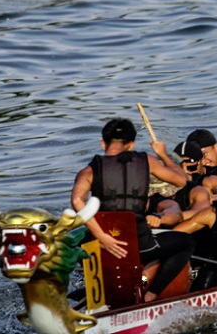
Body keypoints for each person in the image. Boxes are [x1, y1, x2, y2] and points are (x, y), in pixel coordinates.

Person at [71, 118, 195, 302]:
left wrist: (102, 237)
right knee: (186, 242)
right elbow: (181, 180)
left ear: (103, 143)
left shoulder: (89, 171)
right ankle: (152, 294)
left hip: (101, 246)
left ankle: (94, 295)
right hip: (139, 246)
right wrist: (163, 154)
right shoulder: (147, 161)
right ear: (132, 144)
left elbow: (76, 201)